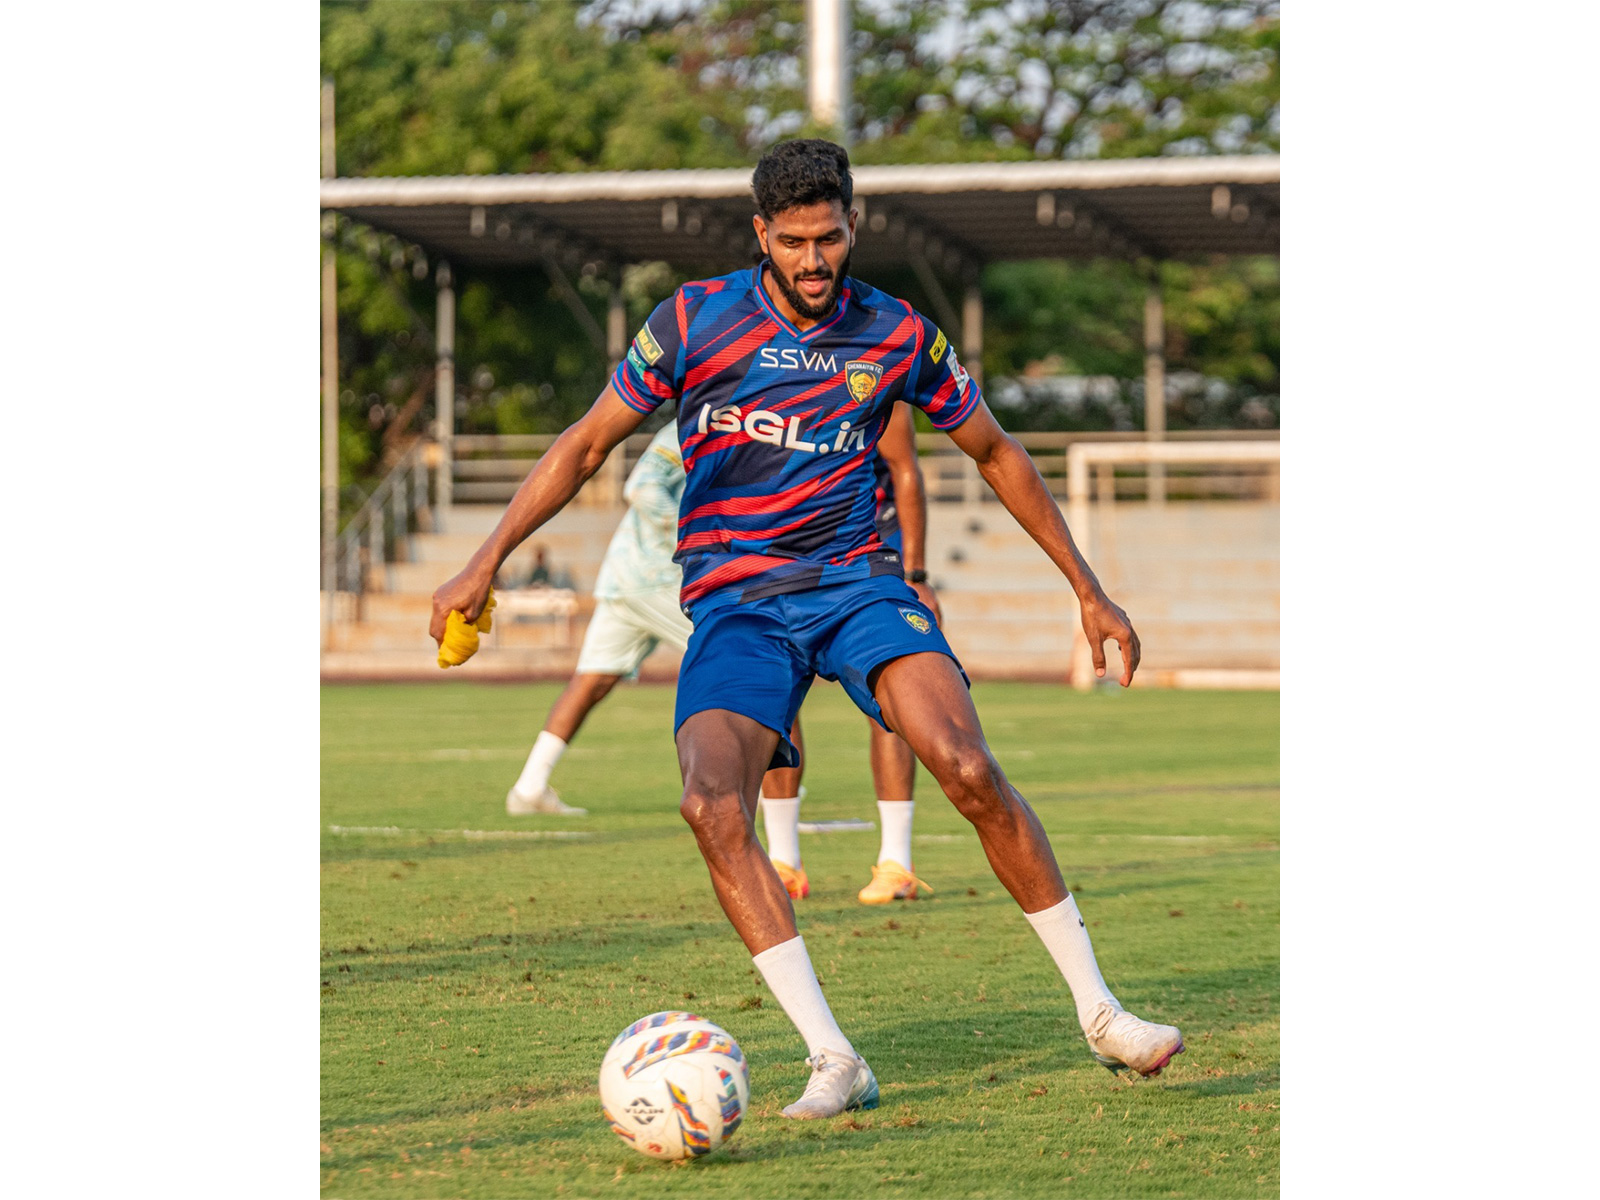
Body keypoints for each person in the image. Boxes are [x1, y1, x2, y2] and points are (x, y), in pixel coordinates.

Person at [432, 139, 1181, 1121]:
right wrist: (484, 558)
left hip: (858, 588)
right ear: (761, 237)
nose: (814, 261)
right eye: (792, 242)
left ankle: (1101, 1014)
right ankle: (834, 1058)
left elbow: (994, 451)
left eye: (829, 238)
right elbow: (583, 444)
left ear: (853, 226)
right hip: (738, 606)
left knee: (961, 762)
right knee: (710, 804)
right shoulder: (693, 321)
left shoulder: (898, 334)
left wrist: (1087, 588)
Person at [506, 423, 808, 817]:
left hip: (625, 578)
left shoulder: (742, 421)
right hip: (661, 579)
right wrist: (699, 541)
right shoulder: (697, 420)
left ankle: (529, 787)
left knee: (591, 682)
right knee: (765, 667)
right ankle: (783, 822)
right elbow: (641, 488)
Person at [758, 401, 942, 905]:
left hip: (872, 554)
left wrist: (918, 575)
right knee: (775, 702)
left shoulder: (872, 364)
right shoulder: (768, 369)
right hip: (788, 555)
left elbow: (905, 469)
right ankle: (783, 862)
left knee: (893, 705)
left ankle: (897, 862)